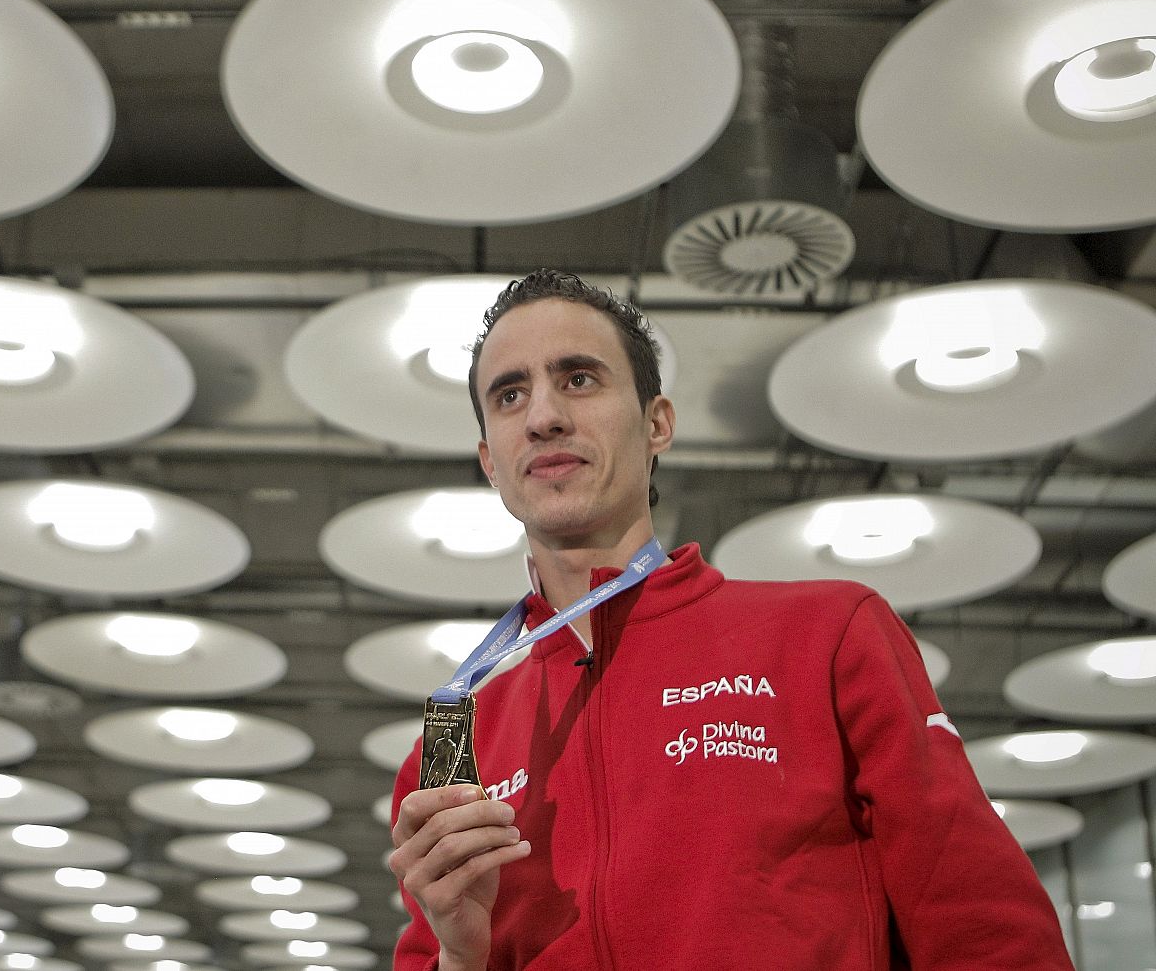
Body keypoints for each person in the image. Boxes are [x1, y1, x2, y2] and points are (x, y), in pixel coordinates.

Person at [387, 269, 1073, 970]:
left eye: (580, 379)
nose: (543, 416)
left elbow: (987, 931)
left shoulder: (827, 636)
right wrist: (460, 958)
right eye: (510, 395)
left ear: (657, 424)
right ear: (490, 463)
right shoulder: (449, 751)